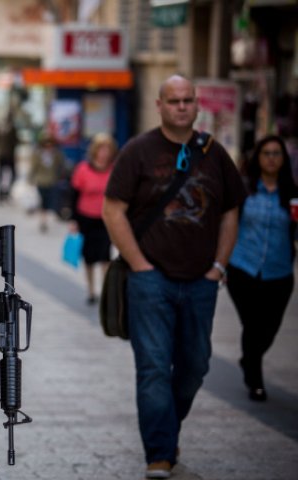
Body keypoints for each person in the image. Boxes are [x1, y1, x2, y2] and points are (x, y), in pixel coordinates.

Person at [102, 74, 246, 479]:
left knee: (195, 365)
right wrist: (139, 264)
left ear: (196, 106)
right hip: (151, 280)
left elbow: (232, 210)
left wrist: (219, 266)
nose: (181, 106)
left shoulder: (216, 155)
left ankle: (167, 429)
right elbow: (112, 209)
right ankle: (159, 456)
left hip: (201, 281)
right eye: (174, 100)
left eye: (188, 100)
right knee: (152, 367)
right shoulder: (138, 151)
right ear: (160, 105)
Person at [226, 135, 297, 402]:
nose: (271, 158)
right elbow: (228, 225)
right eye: (266, 153)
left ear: (283, 159)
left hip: (279, 272)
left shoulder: (292, 194)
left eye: (276, 153)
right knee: (253, 325)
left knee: (269, 329)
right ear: (257, 158)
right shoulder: (244, 189)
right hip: (243, 268)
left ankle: (248, 359)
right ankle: (255, 380)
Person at [69, 133, 117, 304]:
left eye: (107, 149)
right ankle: (91, 290)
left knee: (105, 256)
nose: (104, 153)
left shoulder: (114, 169)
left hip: (107, 218)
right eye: (101, 149)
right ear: (95, 151)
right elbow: (74, 195)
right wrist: (73, 220)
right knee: (89, 257)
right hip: (86, 217)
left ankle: (105, 291)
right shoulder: (83, 168)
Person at [28, 132, 66, 232]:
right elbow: (33, 167)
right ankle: (43, 221)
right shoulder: (37, 154)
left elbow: (62, 165)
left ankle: (47, 218)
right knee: (43, 202)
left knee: (50, 201)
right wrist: (30, 179)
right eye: (46, 143)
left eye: (50, 143)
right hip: (41, 181)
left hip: (52, 181)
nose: (48, 146)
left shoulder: (57, 154)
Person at [0, 112, 19, 203]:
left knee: (1, 174)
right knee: (13, 174)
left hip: (2, 155)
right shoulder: (12, 128)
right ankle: (5, 192)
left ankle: (2, 192)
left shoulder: (0, 128)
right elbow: (16, 140)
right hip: (9, 155)